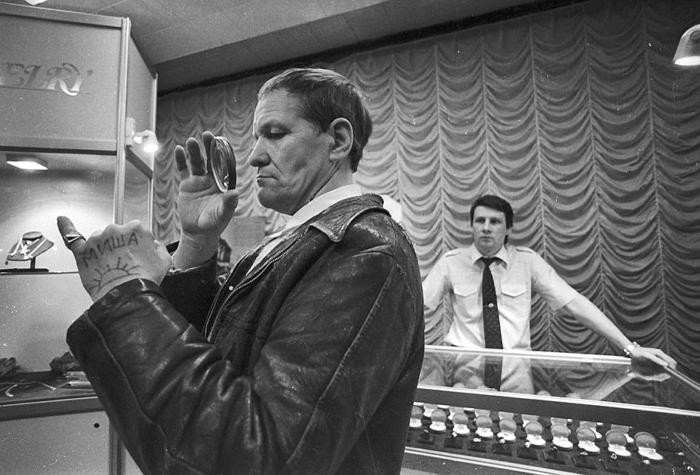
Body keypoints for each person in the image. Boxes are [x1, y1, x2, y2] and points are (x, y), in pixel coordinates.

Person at [56, 68, 425, 474]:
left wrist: (123, 293)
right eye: (256, 137)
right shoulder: (302, 240)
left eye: (276, 133)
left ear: (337, 141)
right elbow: (217, 365)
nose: (255, 156)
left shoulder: (365, 251)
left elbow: (259, 459)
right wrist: (197, 243)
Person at [422, 194, 676, 369]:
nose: (486, 227)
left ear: (508, 229)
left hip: (516, 371)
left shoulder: (527, 262)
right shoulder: (451, 262)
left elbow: (575, 304)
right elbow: (416, 308)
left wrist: (630, 349)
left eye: (495, 221)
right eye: (480, 221)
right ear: (472, 226)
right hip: (462, 369)